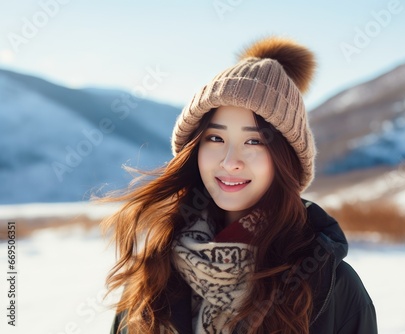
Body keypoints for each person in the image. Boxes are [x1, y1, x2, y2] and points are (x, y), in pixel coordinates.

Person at [102, 36, 377, 334]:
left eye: (254, 141)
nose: (231, 161)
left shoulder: (330, 288)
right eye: (216, 138)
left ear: (285, 160)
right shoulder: (151, 275)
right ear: (194, 149)